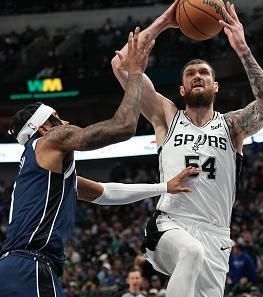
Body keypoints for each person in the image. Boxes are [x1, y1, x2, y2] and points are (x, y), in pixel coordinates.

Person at [0, 28, 199, 297]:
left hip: (16, 267)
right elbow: (124, 126)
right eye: (58, 118)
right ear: (44, 128)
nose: (66, 123)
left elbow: (106, 194)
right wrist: (136, 73)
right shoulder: (50, 140)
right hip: (30, 267)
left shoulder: (40, 173)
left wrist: (163, 187)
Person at [111, 1, 263, 296]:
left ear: (216, 87)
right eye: (190, 74)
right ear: (182, 89)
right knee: (190, 251)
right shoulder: (167, 116)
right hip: (171, 224)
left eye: (204, 73)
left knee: (198, 258)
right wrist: (164, 21)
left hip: (216, 235)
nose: (197, 76)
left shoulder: (231, 125)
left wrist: (243, 49)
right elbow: (121, 65)